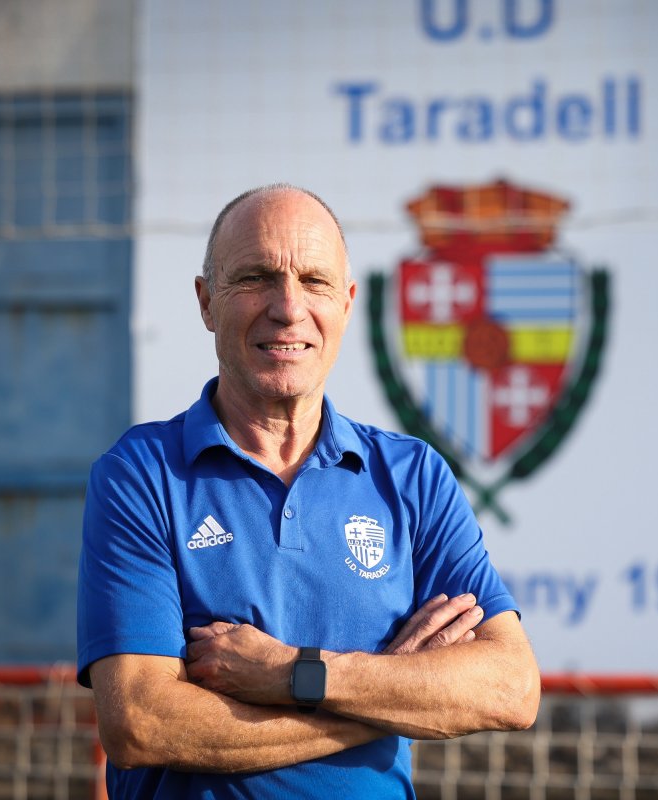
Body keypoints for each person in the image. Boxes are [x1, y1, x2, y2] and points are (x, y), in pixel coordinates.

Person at [77, 184, 540, 798]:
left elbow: (511, 687)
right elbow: (141, 724)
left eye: (315, 281)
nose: (288, 307)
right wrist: (382, 700)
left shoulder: (412, 476)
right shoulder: (141, 474)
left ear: (347, 303)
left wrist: (295, 674)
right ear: (206, 302)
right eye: (256, 278)